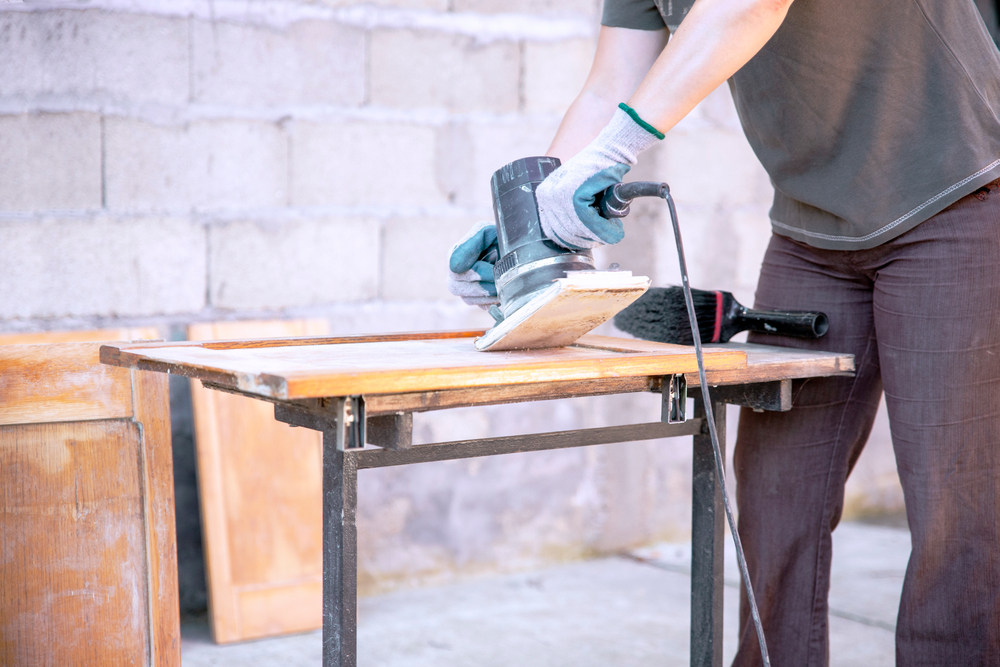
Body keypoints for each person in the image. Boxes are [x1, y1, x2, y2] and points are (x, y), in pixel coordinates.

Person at [449, 0, 1000, 664]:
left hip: (957, 191)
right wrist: (528, 226)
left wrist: (617, 149)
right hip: (811, 227)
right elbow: (608, 84)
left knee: (955, 516)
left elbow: (748, 5)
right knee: (776, 495)